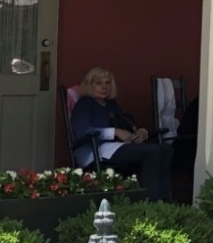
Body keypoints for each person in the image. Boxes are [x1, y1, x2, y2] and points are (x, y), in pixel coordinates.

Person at [70, 68, 173, 201]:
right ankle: (151, 201)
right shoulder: (85, 103)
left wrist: (140, 132)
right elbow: (81, 131)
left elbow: (127, 126)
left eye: (107, 83)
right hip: (95, 150)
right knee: (152, 151)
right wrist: (115, 132)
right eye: (98, 83)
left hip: (117, 147)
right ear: (89, 85)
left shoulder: (112, 105)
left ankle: (163, 199)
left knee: (165, 149)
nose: (104, 87)